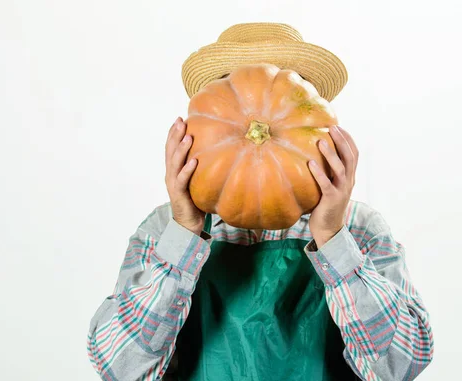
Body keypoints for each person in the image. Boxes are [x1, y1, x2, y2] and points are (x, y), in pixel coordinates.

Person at [86, 23, 434, 381]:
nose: (255, 125)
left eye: (285, 97)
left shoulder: (359, 228)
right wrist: (184, 232)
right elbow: (120, 368)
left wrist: (332, 237)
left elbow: (400, 366)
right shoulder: (164, 231)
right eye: (236, 103)